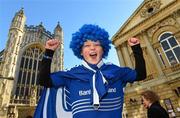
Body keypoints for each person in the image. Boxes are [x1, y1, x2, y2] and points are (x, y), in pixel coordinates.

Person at [34, 24, 146, 118]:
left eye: (97, 45)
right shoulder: (72, 75)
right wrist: (48, 52)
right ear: (81, 52)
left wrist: (136, 49)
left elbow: (141, 75)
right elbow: (44, 81)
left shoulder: (116, 72)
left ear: (103, 50)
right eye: (87, 45)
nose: (92, 48)